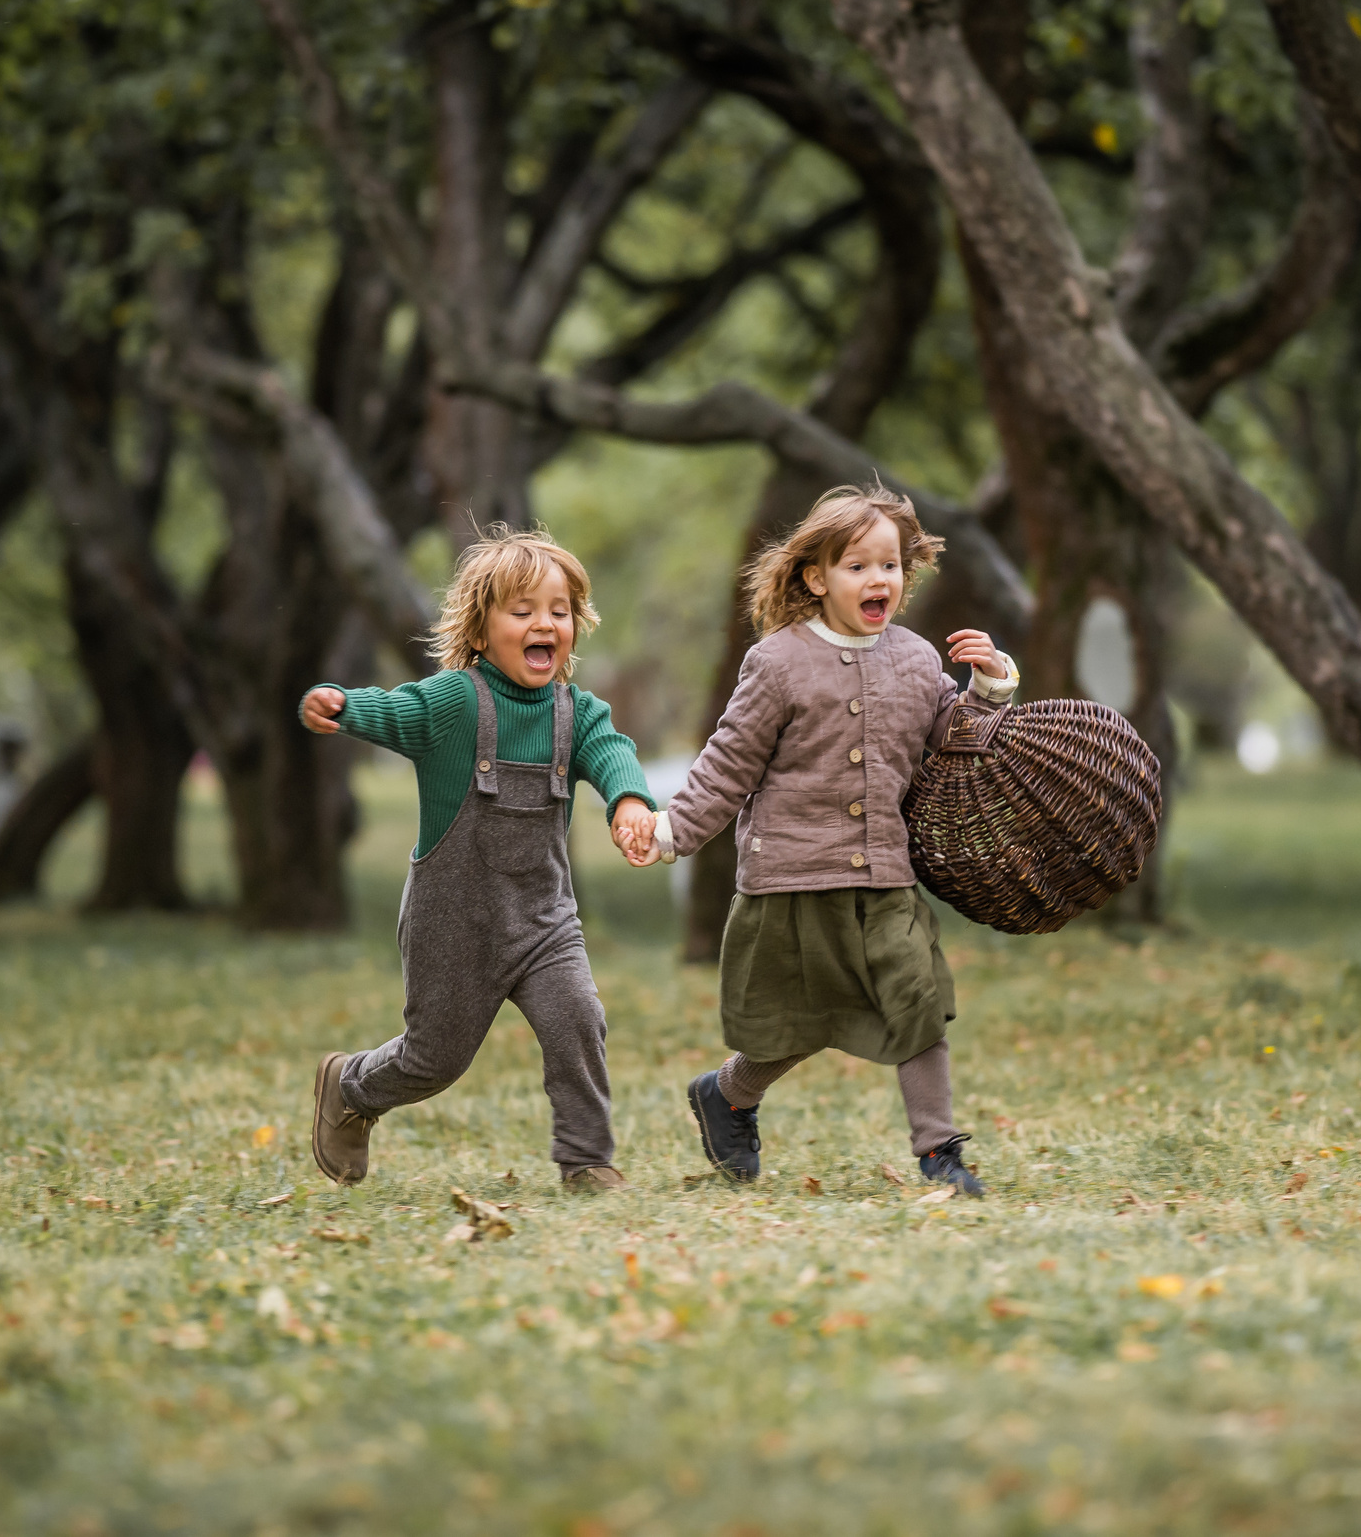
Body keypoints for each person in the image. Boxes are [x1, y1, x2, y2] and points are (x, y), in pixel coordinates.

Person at [648, 485, 1018, 1194]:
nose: (879, 578)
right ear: (817, 578)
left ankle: (939, 1150)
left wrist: (990, 687)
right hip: (792, 877)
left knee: (917, 1001)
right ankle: (728, 1094)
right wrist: (672, 831)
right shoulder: (778, 661)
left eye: (891, 565)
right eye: (858, 566)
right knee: (800, 1024)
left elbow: (951, 740)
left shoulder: (914, 660)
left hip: (885, 875)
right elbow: (728, 762)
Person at [298, 527, 662, 1193]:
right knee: (433, 1059)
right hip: (453, 924)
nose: (543, 623)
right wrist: (345, 707)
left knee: (577, 1016)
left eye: (558, 611)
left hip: (543, 920)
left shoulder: (575, 712)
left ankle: (585, 1159)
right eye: (521, 610)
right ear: (481, 626)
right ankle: (350, 1086)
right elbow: (395, 710)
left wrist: (629, 801)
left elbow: (613, 750)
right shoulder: (454, 702)